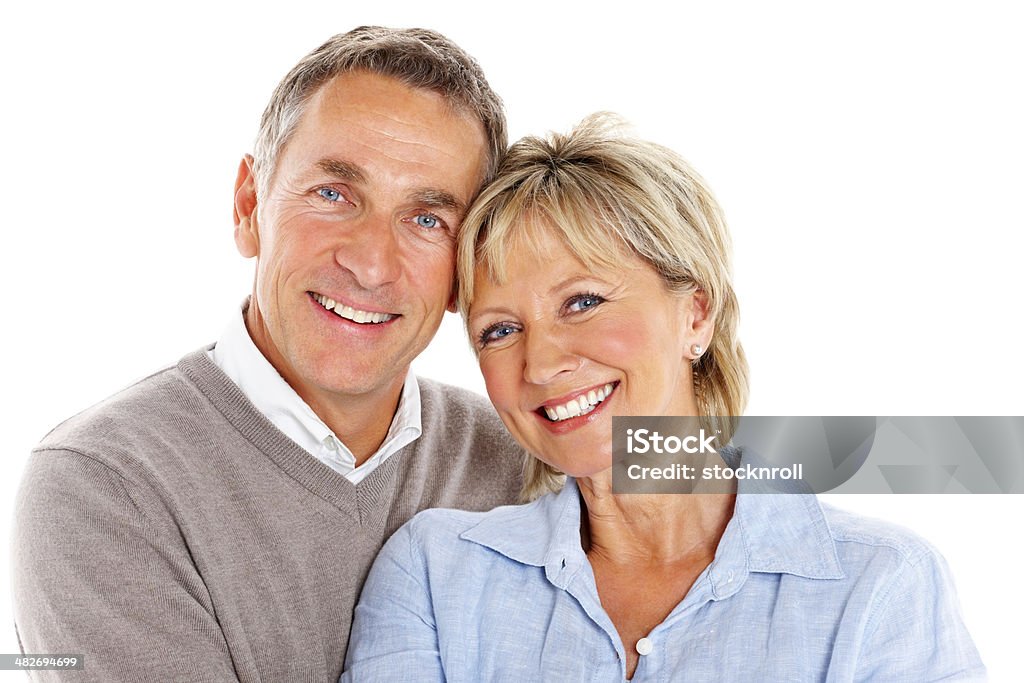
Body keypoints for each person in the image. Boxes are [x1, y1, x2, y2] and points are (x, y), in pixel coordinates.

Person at [343, 114, 986, 681]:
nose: (539, 363)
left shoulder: (880, 587)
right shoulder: (434, 575)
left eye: (583, 302)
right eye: (500, 330)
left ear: (696, 314)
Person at [12, 27, 524, 682]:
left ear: (470, 265)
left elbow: (696, 457)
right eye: (334, 194)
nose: (371, 264)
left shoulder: (525, 450)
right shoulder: (101, 484)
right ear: (250, 204)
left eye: (428, 219)